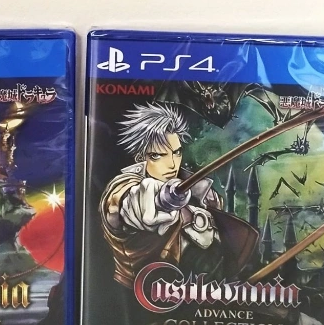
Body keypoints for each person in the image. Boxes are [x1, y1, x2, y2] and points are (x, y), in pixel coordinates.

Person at [100, 103, 257, 286]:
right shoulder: (124, 188)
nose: (172, 164)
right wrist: (164, 199)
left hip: (200, 290)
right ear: (141, 158)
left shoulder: (202, 192)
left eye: (177, 153)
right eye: (158, 155)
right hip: (142, 290)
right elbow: (132, 202)